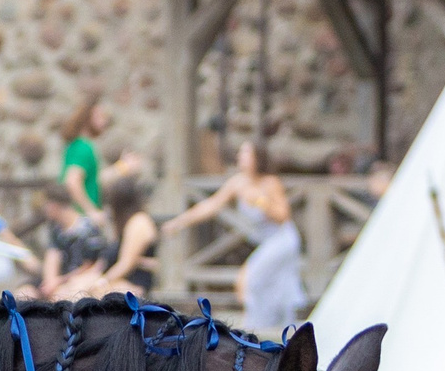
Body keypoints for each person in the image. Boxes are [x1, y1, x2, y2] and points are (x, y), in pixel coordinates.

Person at [161, 140, 305, 333]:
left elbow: (283, 216)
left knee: (248, 279)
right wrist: (180, 222)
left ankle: (256, 327)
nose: (240, 156)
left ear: (257, 158)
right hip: (267, 242)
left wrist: (261, 201)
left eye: (246, 152)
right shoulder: (238, 182)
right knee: (270, 286)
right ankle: (273, 326)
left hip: (282, 240)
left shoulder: (270, 182)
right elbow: (211, 205)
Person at [93, 160, 160, 298]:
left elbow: (126, 264)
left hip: (133, 284)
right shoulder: (125, 224)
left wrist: (102, 281)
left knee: (94, 292)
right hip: (118, 279)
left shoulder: (138, 222)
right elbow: (102, 179)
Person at [37, 184, 114, 298]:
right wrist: (50, 281)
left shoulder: (88, 227)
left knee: (68, 294)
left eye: (46, 204)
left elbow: (91, 264)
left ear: (54, 205)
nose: (44, 209)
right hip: (64, 280)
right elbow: (52, 255)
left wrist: (59, 281)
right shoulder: (56, 230)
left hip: (86, 276)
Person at [57, 99, 109, 219]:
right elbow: (72, 182)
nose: (104, 121)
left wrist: (123, 167)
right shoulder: (83, 147)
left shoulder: (77, 145)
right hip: (80, 217)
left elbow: (95, 179)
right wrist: (91, 211)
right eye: (99, 116)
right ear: (87, 119)